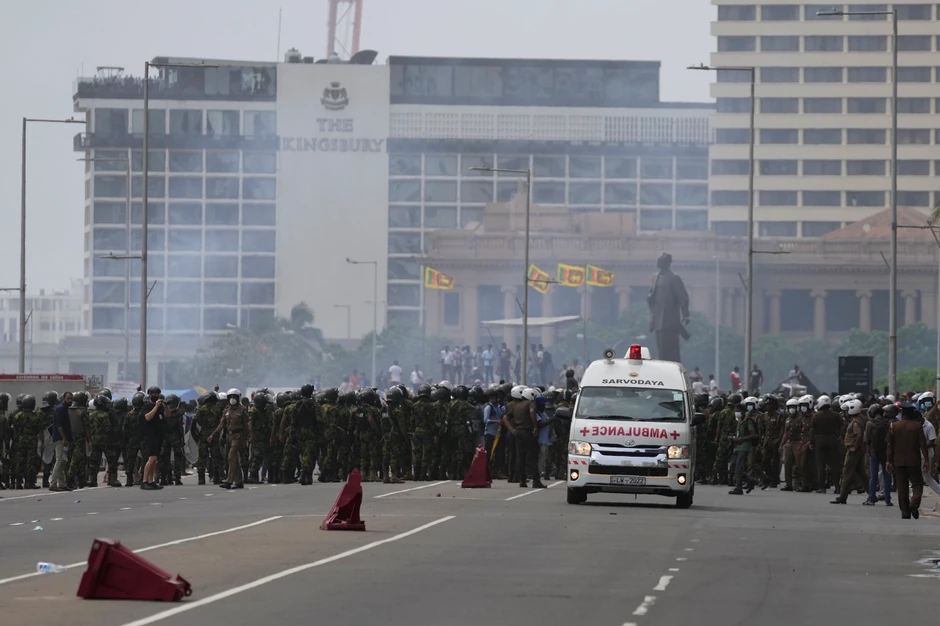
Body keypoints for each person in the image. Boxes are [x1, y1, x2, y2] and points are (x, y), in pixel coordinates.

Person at [889, 402, 929, 519]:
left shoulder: (893, 426)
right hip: (914, 460)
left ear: (901, 413)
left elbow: (889, 446)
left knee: (902, 486)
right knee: (917, 483)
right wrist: (926, 460)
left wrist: (888, 461)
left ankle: (905, 512)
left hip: (898, 461)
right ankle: (914, 503)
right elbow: (922, 444)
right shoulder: (917, 426)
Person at [209, 388, 249, 490]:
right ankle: (239, 481)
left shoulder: (242, 410)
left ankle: (229, 481)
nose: (232, 399)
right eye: (230, 397)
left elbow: (246, 426)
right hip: (229, 436)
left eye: (234, 397)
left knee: (231, 457)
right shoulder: (226, 410)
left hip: (238, 436)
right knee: (233, 459)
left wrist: (245, 441)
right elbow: (222, 424)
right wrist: (213, 435)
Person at [505, 388, 545, 489]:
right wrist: (535, 426)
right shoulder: (530, 403)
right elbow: (532, 411)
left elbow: (505, 418)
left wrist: (512, 430)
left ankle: (522, 481)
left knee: (520, 457)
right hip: (527, 432)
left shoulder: (516, 406)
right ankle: (536, 481)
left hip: (518, 432)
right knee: (531, 457)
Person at [831, 399, 867, 505]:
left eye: (846, 411)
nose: (844, 413)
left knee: (846, 473)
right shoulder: (860, 419)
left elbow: (859, 435)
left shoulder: (855, 422)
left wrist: (854, 447)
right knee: (862, 474)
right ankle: (872, 495)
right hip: (859, 450)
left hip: (853, 451)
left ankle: (842, 497)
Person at [864, 404, 892, 506]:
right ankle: (888, 499)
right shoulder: (888, 423)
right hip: (886, 452)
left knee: (873, 476)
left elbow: (867, 439)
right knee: (887, 475)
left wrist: (870, 450)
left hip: (874, 452)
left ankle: (871, 498)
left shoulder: (870, 423)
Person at [139, 386, 165, 491]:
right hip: (149, 436)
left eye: (157, 394)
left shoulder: (161, 407)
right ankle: (144, 481)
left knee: (155, 459)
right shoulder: (146, 406)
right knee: (152, 458)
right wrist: (156, 407)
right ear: (149, 394)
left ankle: (151, 481)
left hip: (158, 435)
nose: (155, 395)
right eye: (153, 394)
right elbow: (147, 417)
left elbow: (167, 415)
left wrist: (165, 407)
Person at [49, 392, 74, 492]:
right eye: (68, 398)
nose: (70, 401)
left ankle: (62, 484)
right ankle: (53, 483)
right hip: (60, 439)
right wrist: (64, 438)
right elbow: (59, 426)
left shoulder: (64, 409)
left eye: (71, 399)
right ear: (64, 398)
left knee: (63, 462)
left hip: (63, 439)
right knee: (59, 461)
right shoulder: (60, 409)